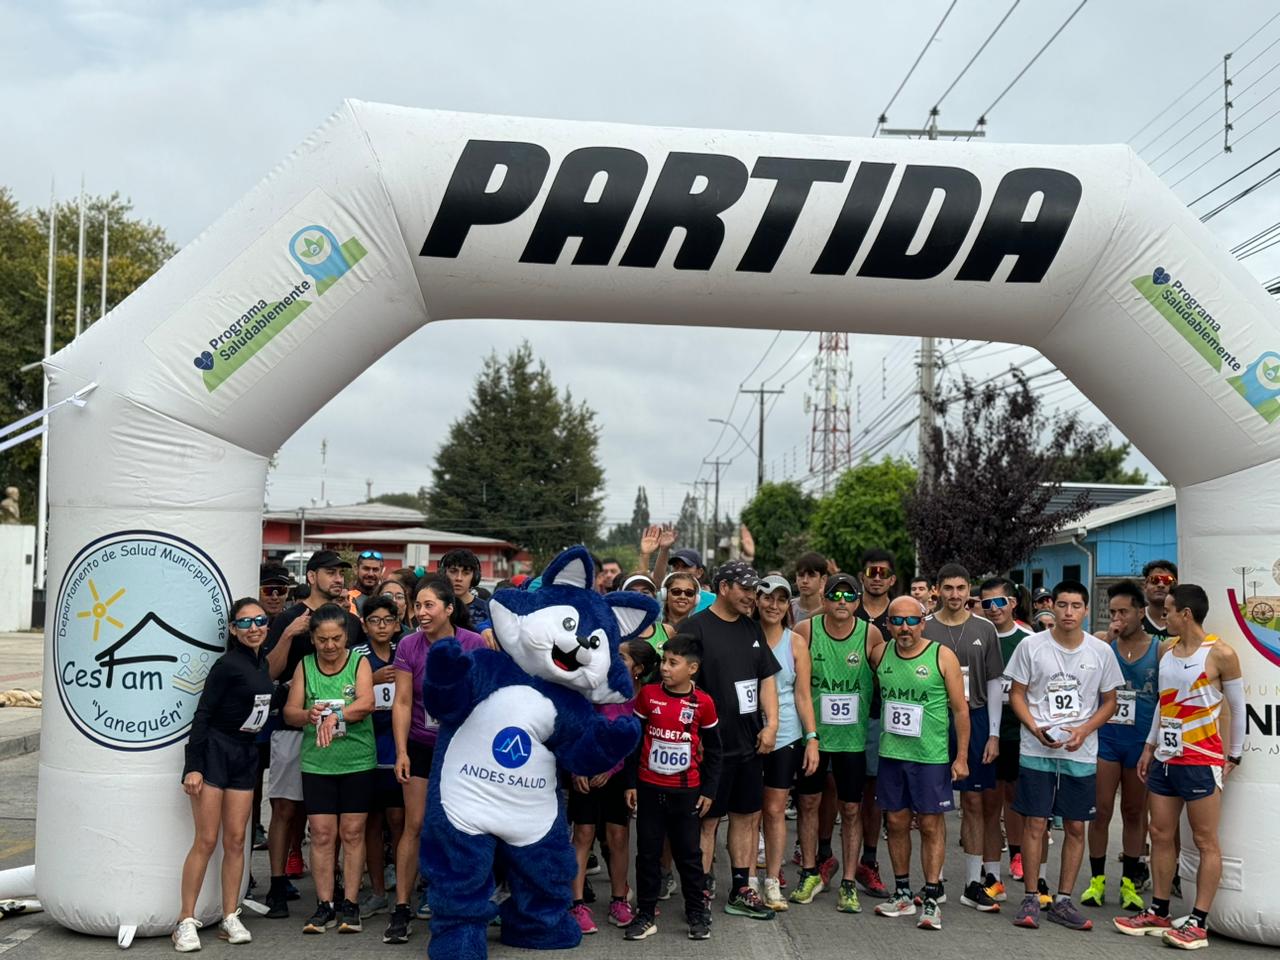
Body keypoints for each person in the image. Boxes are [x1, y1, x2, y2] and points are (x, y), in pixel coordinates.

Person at [1114, 584, 1245, 949]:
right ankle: (1159, 910)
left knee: (1204, 840)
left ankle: (1198, 923)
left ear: (1186, 614)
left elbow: (1238, 706)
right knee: (1160, 833)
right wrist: (1149, 747)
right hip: (1166, 757)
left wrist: (1234, 754)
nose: (1164, 616)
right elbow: (1162, 702)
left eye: (1169, 611)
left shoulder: (1221, 653)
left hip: (1201, 758)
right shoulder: (1168, 650)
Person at [1005, 580, 1123, 932]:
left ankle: (1064, 899)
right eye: (1062, 605)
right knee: (1036, 822)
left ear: (1086, 610)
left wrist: (1084, 730)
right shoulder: (1031, 646)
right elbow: (1017, 695)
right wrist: (1034, 727)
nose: (1068, 612)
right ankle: (1030, 896)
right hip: (1036, 747)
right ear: (1051, 608)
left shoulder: (1100, 652)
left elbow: (1110, 702)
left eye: (1076, 606)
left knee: (1075, 825)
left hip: (1081, 751)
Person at [383, 577, 487, 943]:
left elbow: (482, 698)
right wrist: (401, 751)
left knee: (461, 827)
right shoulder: (409, 645)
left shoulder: (472, 643)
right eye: (418, 606)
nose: (421, 613)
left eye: (429, 606)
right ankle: (401, 909)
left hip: (462, 749)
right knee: (414, 825)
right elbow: (403, 701)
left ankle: (455, 902)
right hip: (422, 745)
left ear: (448, 608)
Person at [262, 550, 363, 919]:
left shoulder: (348, 620)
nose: (338, 579)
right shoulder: (289, 617)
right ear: (311, 576)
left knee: (331, 818)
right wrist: (289, 634)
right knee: (286, 808)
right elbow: (269, 672)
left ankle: (335, 883)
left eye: (341, 573)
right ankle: (275, 884)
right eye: (331, 572)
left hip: (342, 732)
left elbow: (360, 664)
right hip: (293, 726)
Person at [172, 599, 275, 952]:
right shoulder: (226, 665)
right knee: (206, 839)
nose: (254, 628)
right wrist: (194, 765)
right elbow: (203, 714)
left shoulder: (262, 663)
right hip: (215, 752)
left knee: (236, 840)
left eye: (260, 621)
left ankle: (231, 915)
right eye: (245, 623)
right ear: (233, 629)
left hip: (246, 755)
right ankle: (185, 921)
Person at [682, 560, 780, 921]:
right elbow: (681, 684)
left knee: (746, 816)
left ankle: (741, 889)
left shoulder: (752, 628)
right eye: (745, 589)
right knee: (708, 820)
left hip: (749, 745)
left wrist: (771, 726)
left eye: (755, 590)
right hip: (711, 749)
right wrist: (696, 736)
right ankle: (700, 892)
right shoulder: (695, 628)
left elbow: (766, 677)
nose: (752, 596)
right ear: (723, 588)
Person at [870, 596, 969, 931]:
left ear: (923, 622)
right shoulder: (880, 654)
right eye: (897, 621)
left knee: (929, 824)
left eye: (912, 621)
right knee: (896, 823)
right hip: (892, 755)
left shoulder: (942, 656)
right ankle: (901, 892)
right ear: (888, 625)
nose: (904, 627)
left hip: (930, 756)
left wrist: (962, 756)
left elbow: (960, 710)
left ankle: (931, 895)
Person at [790, 572, 884, 914]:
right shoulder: (806, 630)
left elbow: (890, 670)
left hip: (853, 740)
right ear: (825, 600)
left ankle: (847, 881)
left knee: (851, 808)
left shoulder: (870, 633)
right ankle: (810, 871)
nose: (842, 602)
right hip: (813, 736)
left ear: (858, 602)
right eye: (835, 595)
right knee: (809, 803)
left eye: (849, 596)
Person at [282, 603, 377, 935]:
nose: (330, 646)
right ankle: (324, 905)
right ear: (312, 638)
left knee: (352, 832)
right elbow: (289, 712)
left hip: (356, 761)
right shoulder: (305, 667)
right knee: (322, 835)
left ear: (346, 637)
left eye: (336, 639)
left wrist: (339, 715)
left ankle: (350, 904)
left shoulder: (358, 662)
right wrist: (308, 714)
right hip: (317, 763)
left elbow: (367, 702)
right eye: (322, 640)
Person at [624, 634, 722, 941]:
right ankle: (645, 913)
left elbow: (716, 750)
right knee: (647, 854)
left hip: (686, 791)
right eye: (664, 661)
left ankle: (697, 912)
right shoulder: (648, 695)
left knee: (689, 855)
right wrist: (630, 784)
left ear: (692, 668)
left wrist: (708, 790)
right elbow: (634, 740)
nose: (665, 667)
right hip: (650, 788)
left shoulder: (703, 702)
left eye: (673, 662)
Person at [921, 563, 1005, 912]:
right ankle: (934, 881)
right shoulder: (925, 626)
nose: (955, 595)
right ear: (937, 589)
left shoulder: (984, 629)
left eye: (961, 588)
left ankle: (973, 883)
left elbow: (995, 683)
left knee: (974, 803)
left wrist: (995, 734)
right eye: (948, 588)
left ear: (969, 590)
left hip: (977, 718)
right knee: (935, 804)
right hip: (936, 720)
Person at [569, 639, 657, 934]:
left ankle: (619, 900)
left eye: (623, 657)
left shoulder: (643, 697)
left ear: (638, 669)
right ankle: (576, 904)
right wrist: (577, 766)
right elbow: (577, 724)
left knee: (618, 837)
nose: (615, 660)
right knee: (583, 834)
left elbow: (632, 740)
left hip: (618, 775)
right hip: (585, 768)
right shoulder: (595, 685)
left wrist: (613, 768)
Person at [1081, 580, 1158, 911]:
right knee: (1100, 809)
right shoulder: (1102, 644)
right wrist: (1109, 637)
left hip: (1140, 742)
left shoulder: (1160, 648)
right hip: (1108, 739)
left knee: (1134, 811)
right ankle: (1096, 880)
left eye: (1124, 611)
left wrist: (1152, 745)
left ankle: (1130, 882)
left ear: (1140, 613)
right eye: (1112, 612)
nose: (1117, 617)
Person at [755, 575, 819, 911]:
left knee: (775, 809)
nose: (773, 606)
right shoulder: (744, 635)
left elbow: (803, 695)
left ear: (787, 606)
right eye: (767, 598)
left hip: (787, 734)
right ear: (757, 600)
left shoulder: (795, 643)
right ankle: (747, 878)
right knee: (748, 812)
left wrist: (811, 739)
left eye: (781, 600)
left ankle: (772, 880)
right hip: (748, 733)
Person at [351, 595, 405, 919]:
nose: (382, 626)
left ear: (397, 624)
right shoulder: (357, 656)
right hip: (366, 746)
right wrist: (372, 680)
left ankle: (402, 887)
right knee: (371, 822)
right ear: (365, 624)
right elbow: (343, 689)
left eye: (388, 620)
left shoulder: (406, 651)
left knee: (399, 820)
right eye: (375, 620)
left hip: (398, 746)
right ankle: (377, 892)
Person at [979, 577, 1033, 887]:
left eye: (999, 602)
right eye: (987, 604)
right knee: (988, 800)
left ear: (1012, 603)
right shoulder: (978, 636)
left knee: (1015, 797)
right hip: (986, 729)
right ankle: (989, 871)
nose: (994, 609)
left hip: (1018, 729)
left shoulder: (1028, 638)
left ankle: (1017, 854)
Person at [853, 550, 896, 899]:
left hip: (885, 714)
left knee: (875, 791)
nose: (877, 577)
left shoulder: (901, 617)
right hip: (846, 714)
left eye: (884, 573)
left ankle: (869, 860)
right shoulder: (847, 609)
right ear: (862, 576)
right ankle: (822, 856)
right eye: (872, 572)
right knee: (837, 789)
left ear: (892, 579)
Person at [251, 563, 293, 851]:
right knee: (252, 783)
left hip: (284, 720)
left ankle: (289, 849)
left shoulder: (294, 622)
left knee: (282, 792)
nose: (275, 596)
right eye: (269, 590)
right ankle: (253, 826)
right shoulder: (249, 627)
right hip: (255, 720)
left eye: (282, 590)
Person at [622, 573, 672, 660]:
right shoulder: (615, 632)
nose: (639, 597)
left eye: (645, 592)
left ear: (654, 597)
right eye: (632, 592)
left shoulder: (667, 631)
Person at [439, 548, 490, 631]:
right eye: (453, 571)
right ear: (443, 574)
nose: (459, 578)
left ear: (475, 577)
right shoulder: (436, 608)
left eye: (466, 573)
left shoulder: (486, 610)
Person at [666, 549, 716, 613]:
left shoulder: (713, 600)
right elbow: (658, 622)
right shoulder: (662, 598)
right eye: (675, 566)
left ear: (699, 572)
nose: (679, 571)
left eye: (685, 566)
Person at [1141, 560, 1179, 640]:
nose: (1161, 585)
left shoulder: (1183, 620)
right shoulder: (1135, 618)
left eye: (1167, 580)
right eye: (1154, 580)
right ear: (1145, 586)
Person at [791, 552, 829, 622]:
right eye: (801, 575)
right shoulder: (786, 609)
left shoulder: (831, 610)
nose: (805, 581)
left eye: (812, 576)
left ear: (823, 579)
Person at [348, 550, 385, 616]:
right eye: (366, 569)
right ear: (356, 569)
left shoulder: (386, 597)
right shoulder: (347, 598)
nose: (370, 574)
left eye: (375, 569)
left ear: (381, 572)